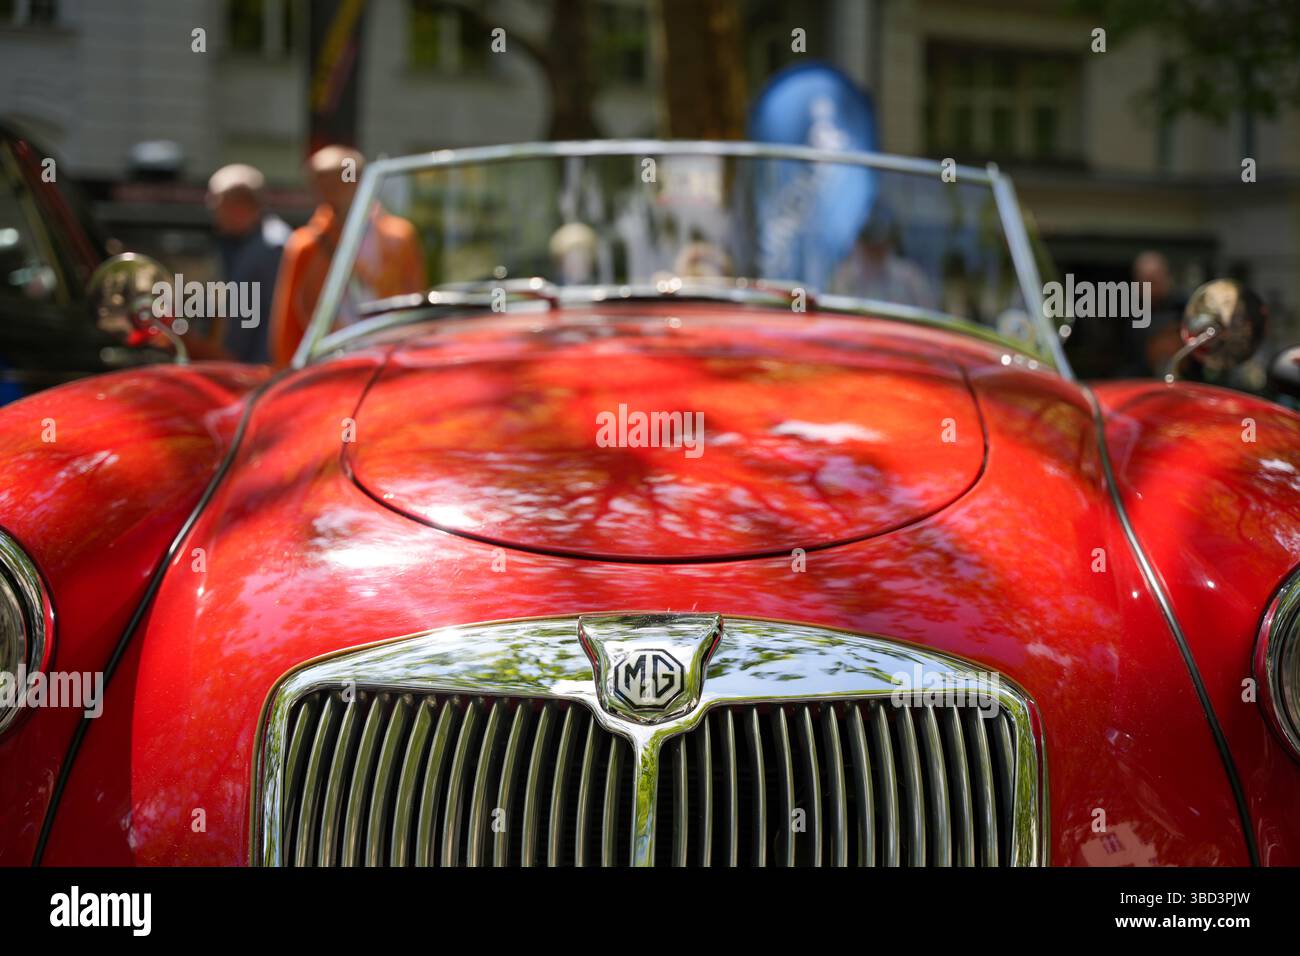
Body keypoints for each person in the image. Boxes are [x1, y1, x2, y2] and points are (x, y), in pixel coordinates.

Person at [268, 146, 425, 366]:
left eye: (340, 179)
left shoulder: (398, 237)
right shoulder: (306, 245)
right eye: (320, 182)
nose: (329, 190)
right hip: (330, 363)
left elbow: (414, 303)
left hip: (387, 356)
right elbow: (288, 323)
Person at [206, 164, 290, 363]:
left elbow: (241, 332)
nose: (212, 209)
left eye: (215, 201)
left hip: (260, 375)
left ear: (238, 205)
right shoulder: (244, 243)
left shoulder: (270, 249)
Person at [830, 205, 936, 310]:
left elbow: (927, 316)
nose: (875, 252)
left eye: (880, 246)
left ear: (890, 243)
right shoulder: (845, 279)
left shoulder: (909, 280)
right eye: (870, 247)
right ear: (860, 244)